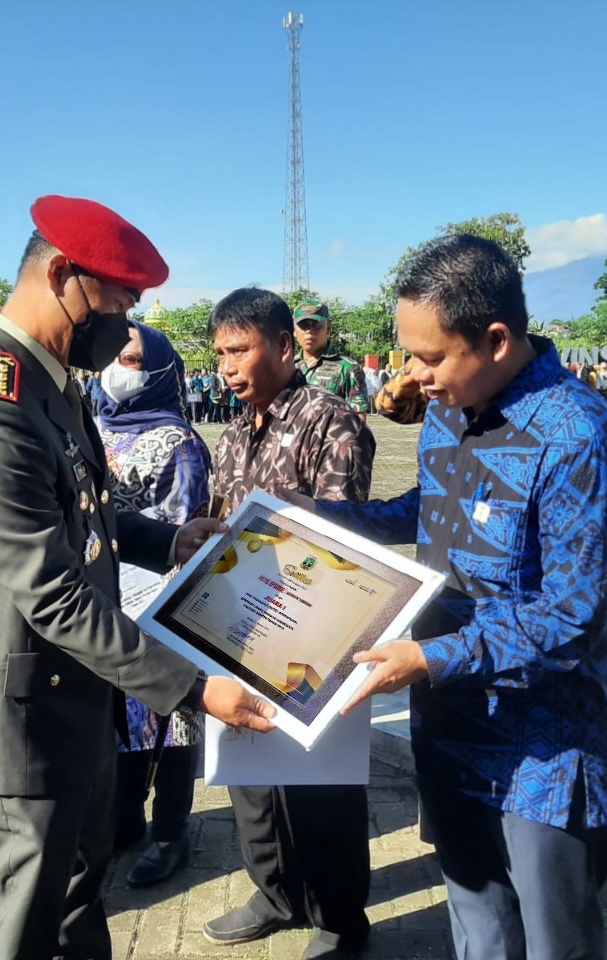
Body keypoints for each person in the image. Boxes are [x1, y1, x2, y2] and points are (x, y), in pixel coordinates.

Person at [0, 195, 275, 960]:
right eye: (119, 304)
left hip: (74, 697)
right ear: (62, 277)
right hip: (19, 716)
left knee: (81, 895)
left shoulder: (48, 381)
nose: (126, 327)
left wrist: (171, 537)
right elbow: (51, 589)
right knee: (22, 917)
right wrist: (192, 687)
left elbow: (89, 512)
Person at [304, 236, 607, 958]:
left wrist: (428, 658)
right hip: (451, 719)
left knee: (555, 940)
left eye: (429, 357)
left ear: (494, 339)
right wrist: (305, 518)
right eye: (407, 356)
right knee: (477, 925)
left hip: (545, 748)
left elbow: (575, 614)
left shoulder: (576, 436)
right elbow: (427, 510)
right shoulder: (450, 409)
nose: (412, 378)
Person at [203, 287, 376, 960]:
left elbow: (339, 536)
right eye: (220, 353)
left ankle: (339, 919)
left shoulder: (331, 422)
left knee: (320, 783)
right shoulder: (230, 432)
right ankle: (275, 894)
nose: (227, 365)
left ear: (282, 345)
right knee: (251, 778)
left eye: (240, 349)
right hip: (237, 628)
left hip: (313, 629)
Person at [96, 320, 211, 887]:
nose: (121, 367)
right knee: (120, 717)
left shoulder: (181, 440)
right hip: (99, 598)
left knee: (169, 719)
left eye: (136, 359)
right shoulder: (90, 426)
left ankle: (170, 833)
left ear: (162, 368)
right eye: (117, 356)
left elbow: (184, 526)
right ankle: (122, 819)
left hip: (158, 596)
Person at [293, 299, 369, 418]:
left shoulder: (348, 368)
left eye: (315, 325)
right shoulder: (287, 368)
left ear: (328, 328)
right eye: (303, 326)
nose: (309, 331)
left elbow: (358, 419)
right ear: (294, 331)